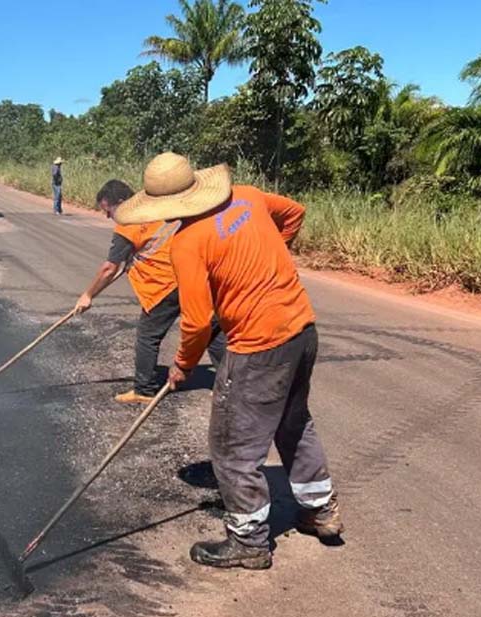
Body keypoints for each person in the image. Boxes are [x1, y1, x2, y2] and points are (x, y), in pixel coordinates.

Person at [114, 152, 343, 570]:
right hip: (301, 330)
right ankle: (320, 510)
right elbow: (294, 213)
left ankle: (249, 540)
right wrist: (269, 256)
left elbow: (198, 322)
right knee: (294, 423)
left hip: (258, 347)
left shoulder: (187, 243)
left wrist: (182, 364)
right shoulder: (249, 197)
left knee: (233, 445)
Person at [74, 179, 227, 404]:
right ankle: (229, 385)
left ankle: (143, 390)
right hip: (193, 275)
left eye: (109, 211)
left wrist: (88, 295)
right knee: (212, 332)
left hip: (165, 285)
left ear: (122, 203)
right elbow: (122, 266)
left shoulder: (128, 223)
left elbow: (109, 268)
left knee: (147, 335)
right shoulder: (158, 210)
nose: (108, 217)